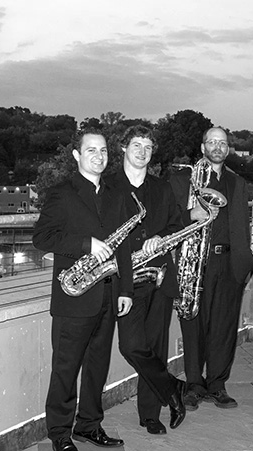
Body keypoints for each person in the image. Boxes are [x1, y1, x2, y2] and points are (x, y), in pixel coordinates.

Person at [33, 127, 134, 451]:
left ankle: (89, 424)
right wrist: (85, 244)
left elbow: (123, 247)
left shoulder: (116, 194)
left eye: (103, 151)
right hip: (73, 296)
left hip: (107, 292)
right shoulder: (62, 193)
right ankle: (60, 433)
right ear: (76, 155)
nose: (99, 156)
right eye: (91, 150)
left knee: (96, 367)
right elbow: (42, 238)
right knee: (66, 368)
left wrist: (125, 290)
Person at [108, 125, 188, 434]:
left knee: (156, 346)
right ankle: (172, 389)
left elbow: (176, 225)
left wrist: (160, 236)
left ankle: (150, 415)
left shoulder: (162, 187)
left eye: (148, 148)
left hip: (159, 276)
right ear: (124, 149)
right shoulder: (109, 185)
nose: (142, 152)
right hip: (125, 280)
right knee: (131, 345)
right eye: (136, 145)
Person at [170, 127, 253, 410]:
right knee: (193, 324)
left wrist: (245, 264)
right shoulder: (183, 180)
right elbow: (169, 221)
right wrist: (190, 215)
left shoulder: (237, 182)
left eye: (223, 143)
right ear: (203, 146)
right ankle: (194, 384)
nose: (217, 147)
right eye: (212, 142)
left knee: (224, 327)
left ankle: (217, 384)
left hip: (228, 264)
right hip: (195, 263)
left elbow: (243, 226)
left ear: (228, 148)